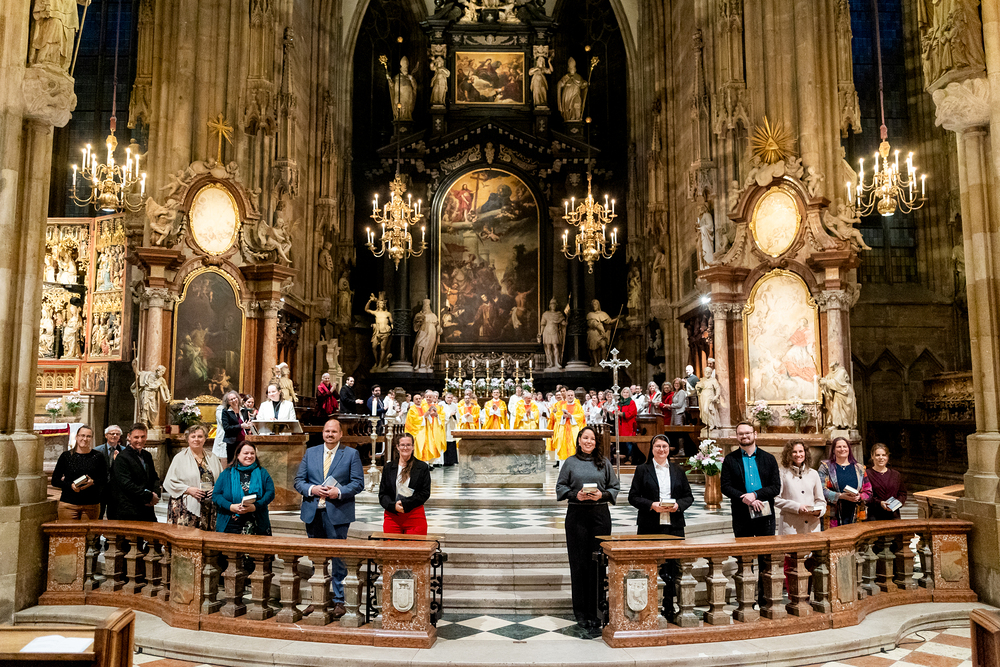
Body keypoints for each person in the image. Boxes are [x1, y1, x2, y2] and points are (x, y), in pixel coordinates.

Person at [293, 418, 365, 619]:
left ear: (340, 434)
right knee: (317, 559)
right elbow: (298, 481)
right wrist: (312, 489)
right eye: (327, 431)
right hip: (313, 513)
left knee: (338, 559)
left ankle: (340, 601)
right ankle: (318, 600)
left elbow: (358, 483)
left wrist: (338, 492)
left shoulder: (350, 454)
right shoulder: (311, 452)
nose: (330, 434)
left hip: (338, 513)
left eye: (334, 431)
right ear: (323, 433)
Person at [556, 426, 620, 636]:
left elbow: (614, 487)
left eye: (592, 439)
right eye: (585, 438)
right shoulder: (570, 462)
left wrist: (602, 495)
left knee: (598, 564)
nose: (589, 441)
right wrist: (576, 495)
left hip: (600, 516)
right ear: (579, 440)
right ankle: (581, 613)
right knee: (579, 563)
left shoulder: (604, 462)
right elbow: (560, 487)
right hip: (577, 516)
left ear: (596, 442)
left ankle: (597, 611)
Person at [628, 434, 694, 620]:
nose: (661, 449)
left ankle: (669, 607)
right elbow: (633, 497)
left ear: (669, 449)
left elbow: (689, 496)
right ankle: (649, 607)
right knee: (650, 566)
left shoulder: (678, 470)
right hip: (650, 525)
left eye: (665, 446)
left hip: (674, 526)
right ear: (652, 449)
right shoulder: (643, 469)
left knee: (672, 568)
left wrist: (678, 505)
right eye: (657, 446)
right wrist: (651, 505)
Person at [720, 421, 781, 538]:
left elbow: (775, 487)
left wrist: (755, 495)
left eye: (747, 433)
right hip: (741, 513)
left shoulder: (769, 458)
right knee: (744, 548)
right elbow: (725, 487)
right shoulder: (730, 459)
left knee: (765, 548)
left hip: (765, 510)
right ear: (737, 436)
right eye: (740, 434)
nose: (744, 436)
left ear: (755, 434)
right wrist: (746, 499)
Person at [164, 424, 224, 530]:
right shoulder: (179, 458)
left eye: (200, 436)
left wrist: (216, 488)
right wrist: (188, 489)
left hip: (209, 506)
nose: (196, 439)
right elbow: (169, 482)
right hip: (185, 507)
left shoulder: (212, 457)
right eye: (193, 436)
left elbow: (222, 480)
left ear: (205, 439)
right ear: (188, 439)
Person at [214, 441, 275, 535]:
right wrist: (231, 506)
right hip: (231, 524)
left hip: (257, 523)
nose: (249, 456)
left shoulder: (262, 472)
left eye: (252, 453)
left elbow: (270, 493)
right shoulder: (226, 473)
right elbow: (216, 495)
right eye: (246, 453)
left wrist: (255, 507)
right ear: (238, 455)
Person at [378, 432, 431, 534]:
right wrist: (393, 506)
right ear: (397, 447)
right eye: (402, 445)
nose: (405, 448)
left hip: (414, 513)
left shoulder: (422, 467)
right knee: (391, 543)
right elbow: (382, 494)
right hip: (393, 514)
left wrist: (406, 504)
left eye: (408, 445)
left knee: (415, 544)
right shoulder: (388, 467)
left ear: (413, 447)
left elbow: (425, 492)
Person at [51, 425, 107, 521]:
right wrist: (71, 485)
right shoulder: (66, 456)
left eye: (88, 436)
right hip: (68, 504)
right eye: (82, 435)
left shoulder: (98, 456)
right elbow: (55, 480)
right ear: (76, 437)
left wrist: (93, 482)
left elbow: (104, 479)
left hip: (91, 504)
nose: (85, 439)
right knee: (68, 531)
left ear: (91, 439)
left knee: (88, 531)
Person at [109, 423, 161, 522]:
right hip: (130, 509)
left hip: (147, 509)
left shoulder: (147, 455)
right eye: (136, 437)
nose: (140, 440)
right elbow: (126, 484)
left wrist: (156, 494)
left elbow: (154, 477)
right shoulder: (122, 457)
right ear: (129, 437)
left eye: (143, 437)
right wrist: (149, 496)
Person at [774, 441, 825, 536]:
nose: (798, 455)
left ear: (805, 453)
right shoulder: (781, 473)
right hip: (791, 526)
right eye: (794, 452)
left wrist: (818, 511)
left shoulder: (813, 473)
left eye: (801, 451)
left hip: (812, 526)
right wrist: (797, 507)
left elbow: (821, 500)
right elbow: (775, 499)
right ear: (789, 454)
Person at [818, 437, 872, 526]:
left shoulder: (860, 468)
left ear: (849, 449)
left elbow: (868, 492)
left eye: (845, 446)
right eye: (839, 447)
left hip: (855, 516)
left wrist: (859, 497)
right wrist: (840, 496)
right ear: (833, 450)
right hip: (833, 517)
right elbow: (820, 490)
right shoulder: (825, 467)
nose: (842, 449)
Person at [866, 443, 907, 521]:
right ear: (872, 456)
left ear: (887, 457)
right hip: (874, 516)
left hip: (894, 515)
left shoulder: (896, 474)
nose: (881, 458)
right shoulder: (867, 474)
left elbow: (903, 493)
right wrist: (880, 503)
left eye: (884, 455)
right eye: (877, 455)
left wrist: (896, 503)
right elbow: (866, 495)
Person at [406, 390, 446, 464]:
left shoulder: (428, 407)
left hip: (429, 430)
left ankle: (428, 463)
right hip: (418, 431)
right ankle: (419, 463)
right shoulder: (414, 408)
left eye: (419, 399)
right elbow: (414, 420)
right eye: (426, 397)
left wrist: (436, 415)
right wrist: (424, 416)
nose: (418, 400)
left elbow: (442, 416)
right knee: (421, 447)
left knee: (428, 446)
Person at [549, 386, 585, 464]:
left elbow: (581, 416)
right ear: (566, 396)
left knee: (574, 448)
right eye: (568, 395)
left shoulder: (578, 406)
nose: (570, 397)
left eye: (572, 395)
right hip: (564, 431)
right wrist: (563, 416)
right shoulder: (562, 406)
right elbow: (557, 416)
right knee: (563, 449)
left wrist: (571, 416)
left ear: (574, 396)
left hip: (573, 431)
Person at [94, 424, 124, 518]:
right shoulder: (97, 451)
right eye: (112, 433)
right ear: (106, 435)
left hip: (116, 490)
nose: (114, 436)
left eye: (117, 434)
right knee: (98, 515)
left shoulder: (124, 451)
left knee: (114, 517)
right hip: (101, 489)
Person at [220, 390, 250, 463]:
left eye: (235, 398)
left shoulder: (244, 409)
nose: (234, 400)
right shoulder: (226, 411)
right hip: (232, 442)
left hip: (244, 440)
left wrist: (249, 425)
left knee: (244, 461)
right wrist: (241, 426)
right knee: (233, 462)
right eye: (231, 399)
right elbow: (226, 428)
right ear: (228, 402)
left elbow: (247, 422)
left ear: (238, 398)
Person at [441, 392, 459, 466]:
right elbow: (441, 415)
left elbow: (458, 416)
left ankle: (452, 461)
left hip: (451, 426)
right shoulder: (441, 404)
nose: (450, 399)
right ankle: (445, 461)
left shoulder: (454, 405)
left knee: (452, 442)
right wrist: (449, 414)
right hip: (444, 426)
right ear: (445, 397)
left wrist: (454, 415)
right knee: (445, 442)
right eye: (448, 397)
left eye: (451, 398)